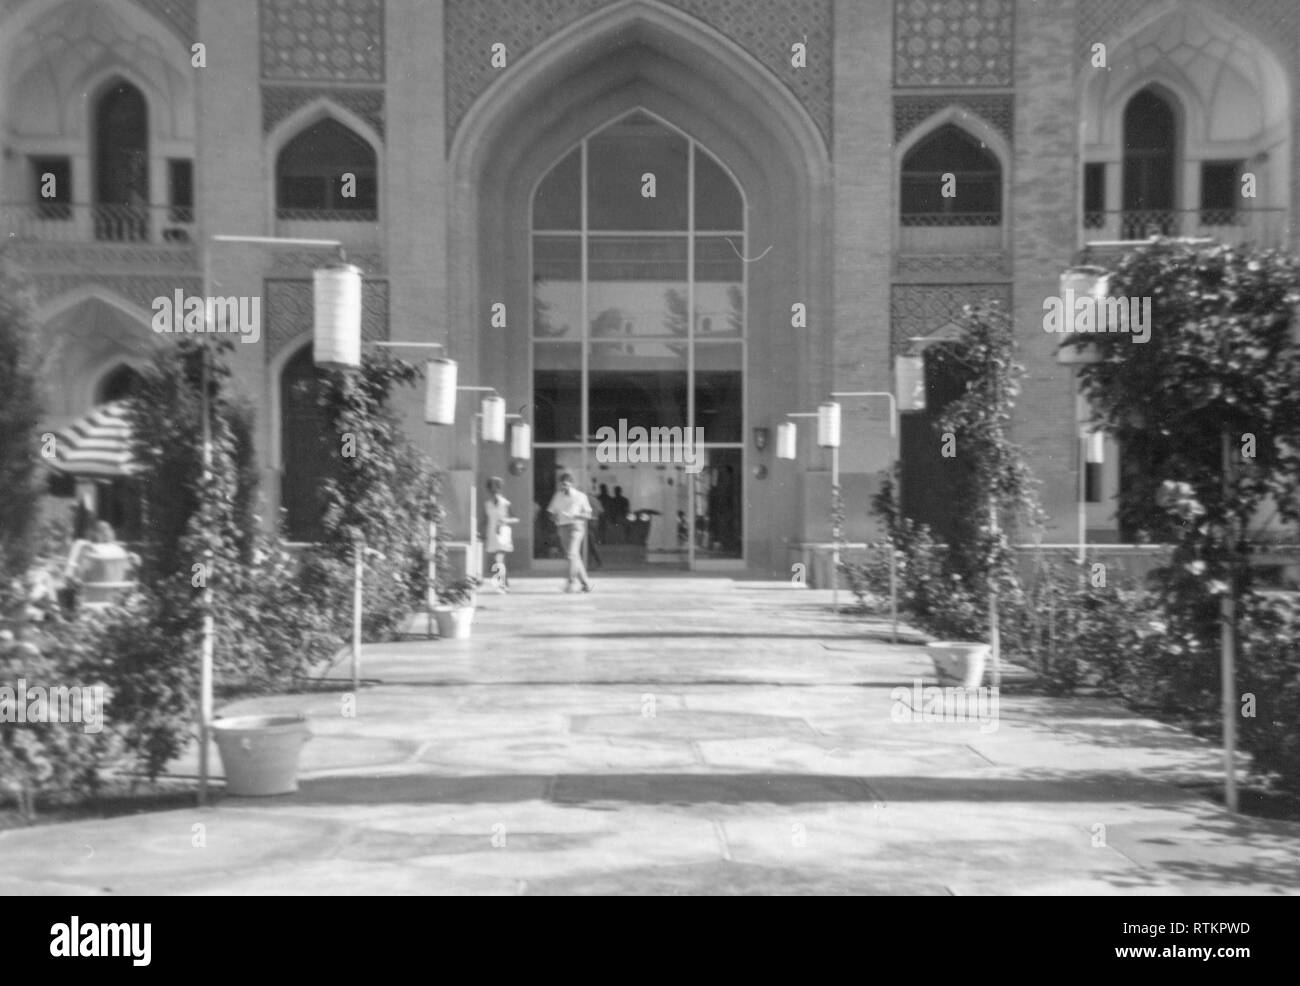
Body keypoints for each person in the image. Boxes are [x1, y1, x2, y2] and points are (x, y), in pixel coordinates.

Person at [546, 472, 594, 592]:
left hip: (576, 527)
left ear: (572, 484)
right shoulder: (558, 495)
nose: (563, 487)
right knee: (574, 557)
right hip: (562, 527)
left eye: (566, 484)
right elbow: (550, 512)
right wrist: (554, 517)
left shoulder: (580, 496)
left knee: (571, 554)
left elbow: (588, 514)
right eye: (562, 485)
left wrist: (576, 515)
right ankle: (586, 584)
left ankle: (571, 581)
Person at [482, 477, 518, 592]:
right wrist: (480, 532)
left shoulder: (505, 504)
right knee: (498, 559)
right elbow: (485, 519)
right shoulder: (487, 504)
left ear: (499, 490)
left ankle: (501, 584)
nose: (494, 492)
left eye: (496, 489)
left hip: (503, 533)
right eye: (491, 490)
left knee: (499, 558)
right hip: (492, 533)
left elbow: (515, 519)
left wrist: (505, 521)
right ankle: (505, 582)